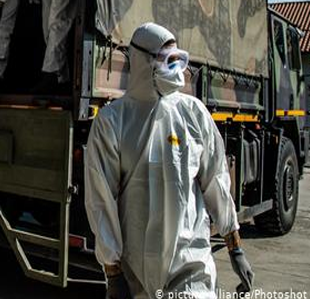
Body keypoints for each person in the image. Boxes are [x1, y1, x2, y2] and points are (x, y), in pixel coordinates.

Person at [84, 23, 254, 299]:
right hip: (137, 269)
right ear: (142, 62)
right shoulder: (113, 122)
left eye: (178, 61)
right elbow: (101, 201)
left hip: (191, 266)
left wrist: (235, 246)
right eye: (168, 61)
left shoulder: (193, 113)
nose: (177, 71)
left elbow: (215, 182)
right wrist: (113, 272)